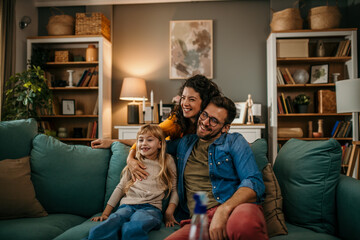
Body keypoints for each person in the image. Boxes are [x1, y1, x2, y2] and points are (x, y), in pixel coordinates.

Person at [165, 96, 268, 240]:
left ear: (225, 127)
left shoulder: (234, 141)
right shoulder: (185, 143)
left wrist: (223, 210)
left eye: (214, 120)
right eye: (205, 115)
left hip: (235, 208)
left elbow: (253, 182)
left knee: (244, 226)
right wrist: (131, 155)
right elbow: (151, 143)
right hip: (200, 219)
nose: (205, 122)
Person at [91, 74, 221, 180]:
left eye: (191, 99)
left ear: (204, 102)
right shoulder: (175, 121)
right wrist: (130, 158)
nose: (185, 103)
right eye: (183, 98)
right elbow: (150, 139)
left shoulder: (213, 125)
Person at [86, 124, 179, 240]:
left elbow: (175, 189)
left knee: (134, 226)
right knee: (111, 223)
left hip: (151, 208)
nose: (144, 143)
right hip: (127, 206)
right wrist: (105, 214)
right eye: (140, 140)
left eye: (149, 140)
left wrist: (169, 212)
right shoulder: (134, 162)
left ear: (160, 144)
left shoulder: (167, 160)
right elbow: (120, 188)